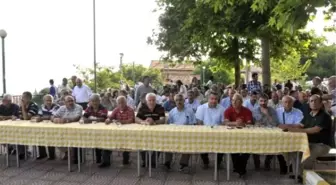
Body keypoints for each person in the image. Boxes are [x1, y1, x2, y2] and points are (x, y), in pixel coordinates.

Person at [287, 94, 332, 183]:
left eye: (316, 101)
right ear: (309, 103)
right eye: (311, 101)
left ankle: (306, 178)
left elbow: (314, 130)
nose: (313, 103)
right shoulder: (309, 114)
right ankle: (298, 174)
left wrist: (294, 131)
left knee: (306, 157)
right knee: (293, 151)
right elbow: (300, 125)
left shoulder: (324, 116)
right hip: (307, 143)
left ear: (320, 103)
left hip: (322, 145)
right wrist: (285, 126)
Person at [165, 94, 196, 171]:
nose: (179, 102)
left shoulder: (189, 111)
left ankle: (183, 164)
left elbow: (194, 123)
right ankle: (167, 163)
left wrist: (188, 125)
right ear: (175, 102)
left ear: (184, 101)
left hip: (186, 134)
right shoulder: (172, 112)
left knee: (189, 142)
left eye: (180, 100)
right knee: (167, 141)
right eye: (177, 100)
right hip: (174, 134)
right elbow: (168, 124)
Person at [224, 93, 253, 177]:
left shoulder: (247, 111)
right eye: (233, 100)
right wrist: (235, 123)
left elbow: (250, 123)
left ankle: (238, 167)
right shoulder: (228, 110)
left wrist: (243, 124)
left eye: (236, 100)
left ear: (241, 102)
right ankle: (240, 169)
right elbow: (225, 122)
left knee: (248, 148)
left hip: (246, 136)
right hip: (232, 136)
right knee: (233, 148)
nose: (234, 102)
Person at [195, 91, 225, 169]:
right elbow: (199, 122)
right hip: (204, 132)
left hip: (218, 133)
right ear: (208, 99)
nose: (214, 101)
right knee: (201, 140)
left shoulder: (222, 109)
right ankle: (205, 162)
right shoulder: (201, 108)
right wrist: (204, 131)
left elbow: (223, 123)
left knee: (224, 141)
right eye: (212, 99)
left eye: (216, 99)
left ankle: (218, 162)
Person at [135, 93, 165, 167]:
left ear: (156, 100)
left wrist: (154, 122)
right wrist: (143, 122)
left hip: (157, 133)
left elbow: (163, 120)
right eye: (150, 100)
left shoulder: (160, 107)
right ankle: (145, 160)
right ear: (146, 101)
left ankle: (153, 161)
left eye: (153, 100)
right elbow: (136, 118)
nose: (151, 102)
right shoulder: (142, 107)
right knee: (140, 142)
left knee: (159, 143)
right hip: (144, 132)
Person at [105, 96, 135, 167]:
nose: (121, 104)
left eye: (123, 102)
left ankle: (126, 159)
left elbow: (130, 121)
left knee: (126, 141)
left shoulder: (130, 110)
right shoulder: (116, 109)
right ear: (117, 103)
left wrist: (120, 121)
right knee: (107, 139)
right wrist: (108, 120)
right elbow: (111, 117)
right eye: (119, 103)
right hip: (116, 132)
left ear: (126, 102)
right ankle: (106, 160)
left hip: (127, 132)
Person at [52, 95, 83, 164]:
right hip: (62, 130)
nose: (70, 102)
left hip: (75, 131)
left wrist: (65, 120)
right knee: (54, 138)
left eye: (72, 101)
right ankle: (67, 151)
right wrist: (54, 119)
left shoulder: (78, 107)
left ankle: (71, 153)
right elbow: (53, 116)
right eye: (68, 101)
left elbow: (77, 118)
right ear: (65, 102)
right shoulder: (61, 108)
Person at [33, 95, 59, 160]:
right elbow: (39, 115)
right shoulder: (42, 107)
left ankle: (52, 155)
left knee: (50, 137)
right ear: (44, 101)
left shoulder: (57, 107)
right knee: (39, 135)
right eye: (47, 100)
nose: (49, 102)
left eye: (50, 100)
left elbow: (53, 116)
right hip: (43, 125)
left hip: (53, 126)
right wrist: (38, 118)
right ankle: (42, 154)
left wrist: (42, 118)